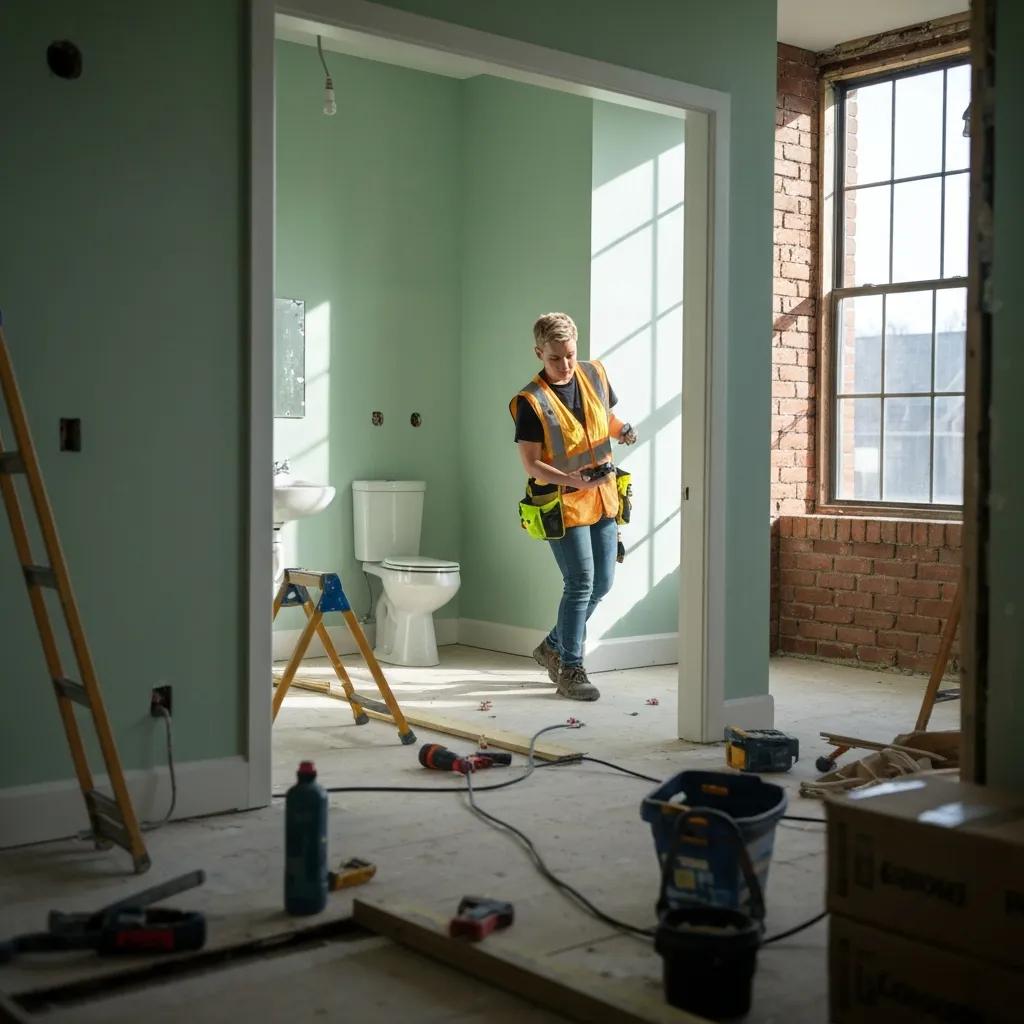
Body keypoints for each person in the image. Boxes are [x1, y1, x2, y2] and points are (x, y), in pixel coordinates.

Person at [509, 312, 637, 702]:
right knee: (580, 582)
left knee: (603, 583)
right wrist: (574, 480)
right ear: (538, 352)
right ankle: (571, 667)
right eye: (555, 358)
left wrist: (622, 430)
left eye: (569, 355)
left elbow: (605, 418)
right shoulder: (530, 402)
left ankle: (552, 646)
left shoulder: (594, 373)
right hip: (562, 503)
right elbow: (531, 464)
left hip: (603, 496)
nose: (564, 365)